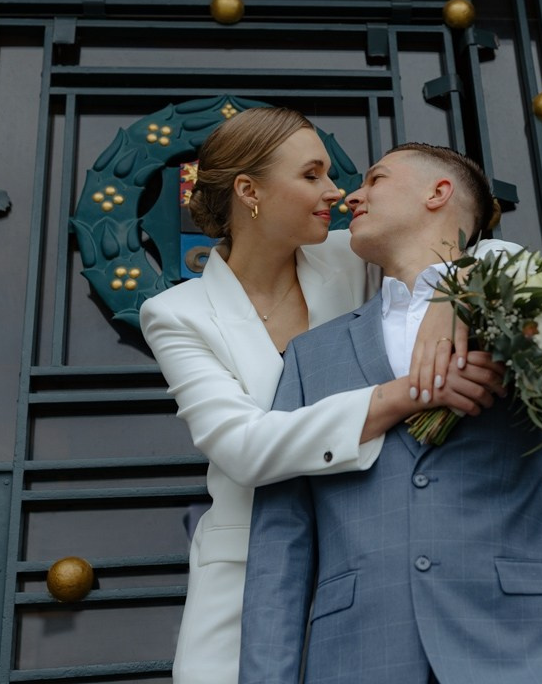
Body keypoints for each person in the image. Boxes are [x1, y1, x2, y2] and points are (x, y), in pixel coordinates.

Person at [239, 143, 542, 684]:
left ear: (437, 193)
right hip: (358, 660)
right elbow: (281, 545)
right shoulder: (310, 355)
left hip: (530, 655)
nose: (353, 195)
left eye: (375, 179)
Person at [139, 109, 516, 684]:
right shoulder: (176, 315)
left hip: (370, 553)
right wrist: (408, 394)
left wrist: (452, 292)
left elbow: (483, 252)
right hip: (246, 571)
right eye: (312, 175)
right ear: (250, 192)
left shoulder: (353, 256)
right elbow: (242, 447)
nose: (338, 192)